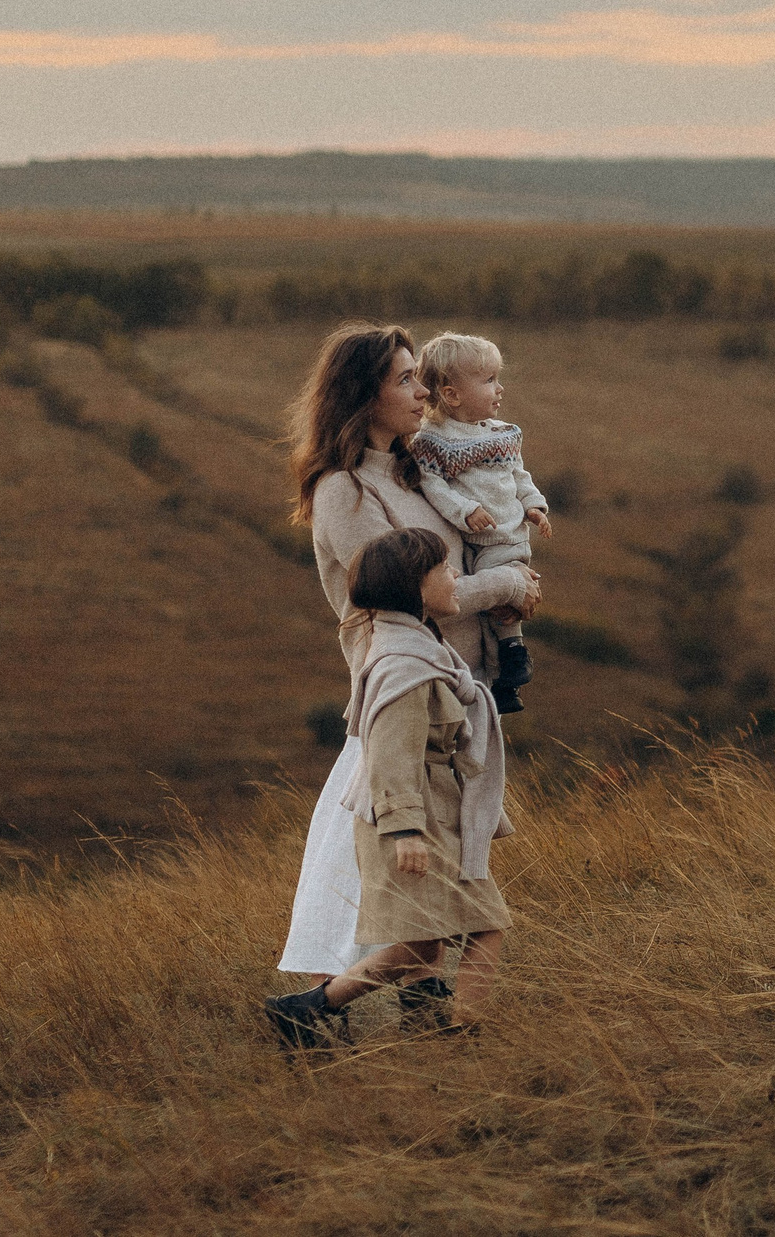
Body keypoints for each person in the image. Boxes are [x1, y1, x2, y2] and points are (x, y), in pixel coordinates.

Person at [274, 324, 539, 986]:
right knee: (393, 852)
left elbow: (462, 562)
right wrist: (505, 586)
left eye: (420, 378)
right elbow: (413, 596)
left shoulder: (417, 471)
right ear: (363, 396)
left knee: (437, 854)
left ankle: (399, 1004)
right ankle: (319, 1005)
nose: (422, 391)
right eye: (403, 380)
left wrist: (509, 573)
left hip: (456, 685)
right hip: (404, 688)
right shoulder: (345, 491)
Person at [264, 528, 513, 1048]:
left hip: (434, 813)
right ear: (415, 588)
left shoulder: (423, 645)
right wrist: (405, 831)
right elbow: (390, 755)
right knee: (464, 933)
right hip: (411, 822)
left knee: (426, 945)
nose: (455, 579)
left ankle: (308, 1012)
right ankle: (460, 1035)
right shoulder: (403, 665)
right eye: (443, 571)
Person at [408, 331, 552, 714]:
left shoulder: (501, 434)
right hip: (484, 540)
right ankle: (510, 660)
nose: (499, 388)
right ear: (452, 395)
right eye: (488, 381)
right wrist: (465, 509)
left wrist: (534, 505)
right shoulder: (435, 441)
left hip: (513, 533)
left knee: (510, 594)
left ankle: (506, 668)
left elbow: (518, 474)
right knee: (497, 610)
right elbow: (431, 483)